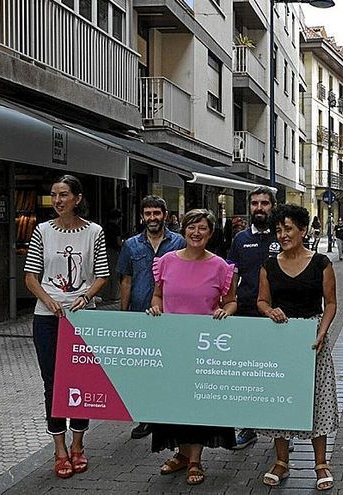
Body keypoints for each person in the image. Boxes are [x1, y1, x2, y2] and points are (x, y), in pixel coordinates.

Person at [23, 174, 109, 479]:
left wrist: (85, 296)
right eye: (54, 195)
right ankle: (59, 450)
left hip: (82, 316)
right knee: (53, 382)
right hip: (47, 317)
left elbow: (101, 274)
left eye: (63, 195)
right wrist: (48, 300)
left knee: (81, 381)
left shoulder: (94, 232)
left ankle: (78, 445)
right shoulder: (42, 231)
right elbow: (31, 276)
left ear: (78, 198)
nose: (58, 201)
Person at [147, 209, 238, 485]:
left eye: (202, 228)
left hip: (204, 347)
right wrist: (154, 307)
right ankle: (181, 454)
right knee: (174, 401)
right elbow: (158, 295)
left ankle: (195, 459)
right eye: (191, 227)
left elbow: (231, 300)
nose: (196, 233)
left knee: (198, 403)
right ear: (183, 230)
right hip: (172, 344)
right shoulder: (165, 262)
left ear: (210, 233)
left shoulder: (221, 266)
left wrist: (226, 311)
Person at [256, 204, 338, 491]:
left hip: (312, 337)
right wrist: (270, 312)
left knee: (317, 399)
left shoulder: (321, 263)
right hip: (281, 337)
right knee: (281, 399)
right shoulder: (268, 266)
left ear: (303, 230)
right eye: (278, 230)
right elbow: (262, 301)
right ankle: (281, 461)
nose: (283, 234)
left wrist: (323, 332)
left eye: (288, 228)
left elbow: (331, 303)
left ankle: (320, 462)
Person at [118, 195, 186, 440]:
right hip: (139, 313)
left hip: (171, 315)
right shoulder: (131, 245)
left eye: (157, 213)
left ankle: (167, 415)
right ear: (142, 216)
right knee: (143, 370)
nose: (152, 218)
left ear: (165, 215)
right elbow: (126, 279)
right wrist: (124, 315)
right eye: (148, 213)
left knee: (169, 366)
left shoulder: (179, 241)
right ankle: (145, 417)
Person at [227, 186, 282, 449]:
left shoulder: (282, 235)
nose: (259, 208)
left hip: (278, 315)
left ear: (273, 205)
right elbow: (231, 274)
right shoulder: (240, 239)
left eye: (264, 203)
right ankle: (248, 428)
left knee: (278, 373)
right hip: (246, 312)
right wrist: (229, 302)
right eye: (254, 204)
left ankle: (281, 432)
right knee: (247, 374)